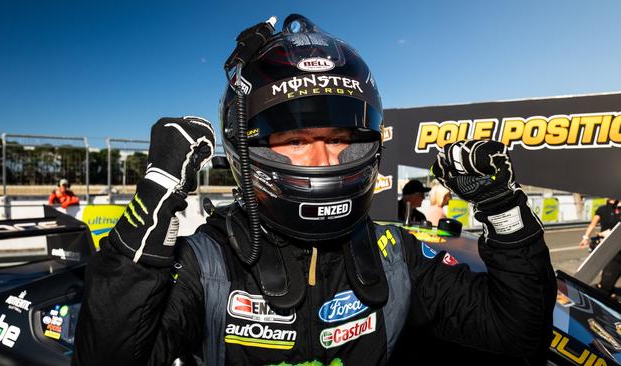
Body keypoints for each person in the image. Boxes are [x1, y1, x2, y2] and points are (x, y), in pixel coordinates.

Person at [73, 14, 556, 365]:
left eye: (340, 140)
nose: (323, 161)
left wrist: (502, 208)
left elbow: (518, 334)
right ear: (247, 148)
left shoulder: (395, 255)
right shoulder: (209, 263)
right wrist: (150, 209)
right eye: (296, 141)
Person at [579, 198, 621, 297]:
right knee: (607, 273)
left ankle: (606, 290)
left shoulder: (614, 210)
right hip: (607, 244)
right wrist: (585, 237)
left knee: (608, 274)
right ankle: (606, 290)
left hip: (614, 246)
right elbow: (592, 224)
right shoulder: (602, 209)